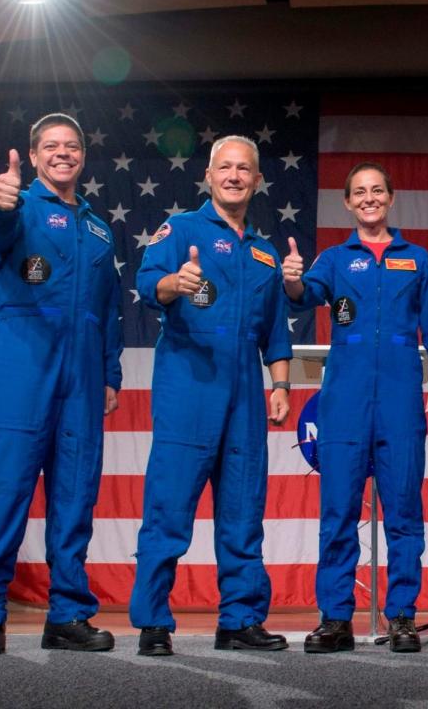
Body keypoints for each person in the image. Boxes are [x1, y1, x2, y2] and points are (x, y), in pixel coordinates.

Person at [0, 113, 123, 655]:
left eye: (71, 146)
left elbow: (110, 309)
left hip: (81, 379)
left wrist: (110, 373)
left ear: (82, 155)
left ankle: (67, 615)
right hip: (20, 371)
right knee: (4, 495)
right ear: (32, 156)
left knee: (75, 501)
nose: (62, 153)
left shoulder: (99, 228)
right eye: (50, 146)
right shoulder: (17, 205)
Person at [283, 161, 428, 654]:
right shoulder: (335, 258)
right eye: (359, 192)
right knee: (338, 511)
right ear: (348, 202)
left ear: (390, 197)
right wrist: (293, 280)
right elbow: (304, 297)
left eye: (377, 191)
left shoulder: (416, 259)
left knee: (403, 510)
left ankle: (402, 614)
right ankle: (336, 618)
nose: (369, 199)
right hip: (345, 399)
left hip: (401, 393)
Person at [129, 135, 291, 657]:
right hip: (189, 377)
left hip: (245, 383)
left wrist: (281, 385)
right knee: (170, 505)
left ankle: (240, 620)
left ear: (258, 180)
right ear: (208, 174)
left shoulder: (265, 252)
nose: (235, 176)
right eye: (226, 167)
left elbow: (276, 334)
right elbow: (147, 280)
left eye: (245, 169)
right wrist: (176, 282)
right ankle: (154, 621)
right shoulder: (181, 229)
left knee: (244, 509)